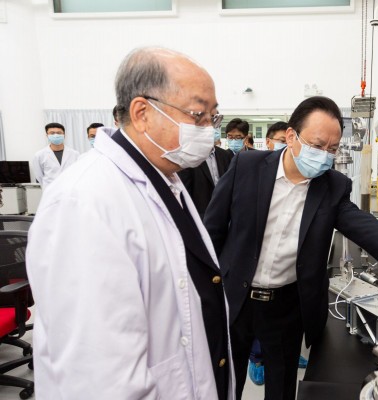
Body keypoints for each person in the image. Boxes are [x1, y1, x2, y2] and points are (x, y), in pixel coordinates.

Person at [204, 96, 378, 400]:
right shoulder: (247, 166)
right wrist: (205, 292)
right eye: (317, 145)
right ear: (291, 136)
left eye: (332, 149)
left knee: (282, 386)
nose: (324, 156)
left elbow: (362, 225)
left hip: (287, 307)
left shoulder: (333, 185)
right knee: (223, 382)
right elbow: (213, 229)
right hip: (235, 298)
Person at [26, 47, 234, 400]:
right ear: (142, 113)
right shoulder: (86, 200)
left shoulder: (166, 179)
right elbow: (97, 374)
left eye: (213, 118)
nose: (207, 130)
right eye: (198, 115)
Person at [178, 127, 234, 218]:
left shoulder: (225, 155)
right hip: (201, 215)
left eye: (217, 126)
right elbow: (185, 191)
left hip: (224, 214)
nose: (214, 129)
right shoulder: (189, 155)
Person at [30, 122, 80, 188]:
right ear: (47, 135)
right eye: (52, 133)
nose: (56, 135)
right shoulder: (39, 155)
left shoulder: (75, 154)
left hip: (70, 190)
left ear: (64, 135)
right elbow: (39, 176)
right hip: (50, 191)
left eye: (59, 133)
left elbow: (78, 173)